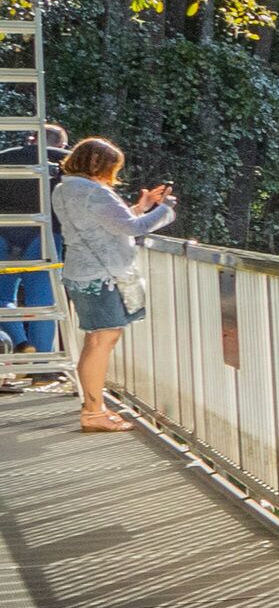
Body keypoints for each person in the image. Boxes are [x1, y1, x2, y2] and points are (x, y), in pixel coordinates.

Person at [50, 139, 172, 433]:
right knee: (102, 341)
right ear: (100, 166)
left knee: (96, 341)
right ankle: (92, 412)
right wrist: (165, 210)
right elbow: (133, 228)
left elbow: (106, 223)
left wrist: (140, 207)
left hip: (83, 272)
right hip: (100, 276)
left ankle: (94, 408)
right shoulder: (93, 192)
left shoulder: (65, 188)